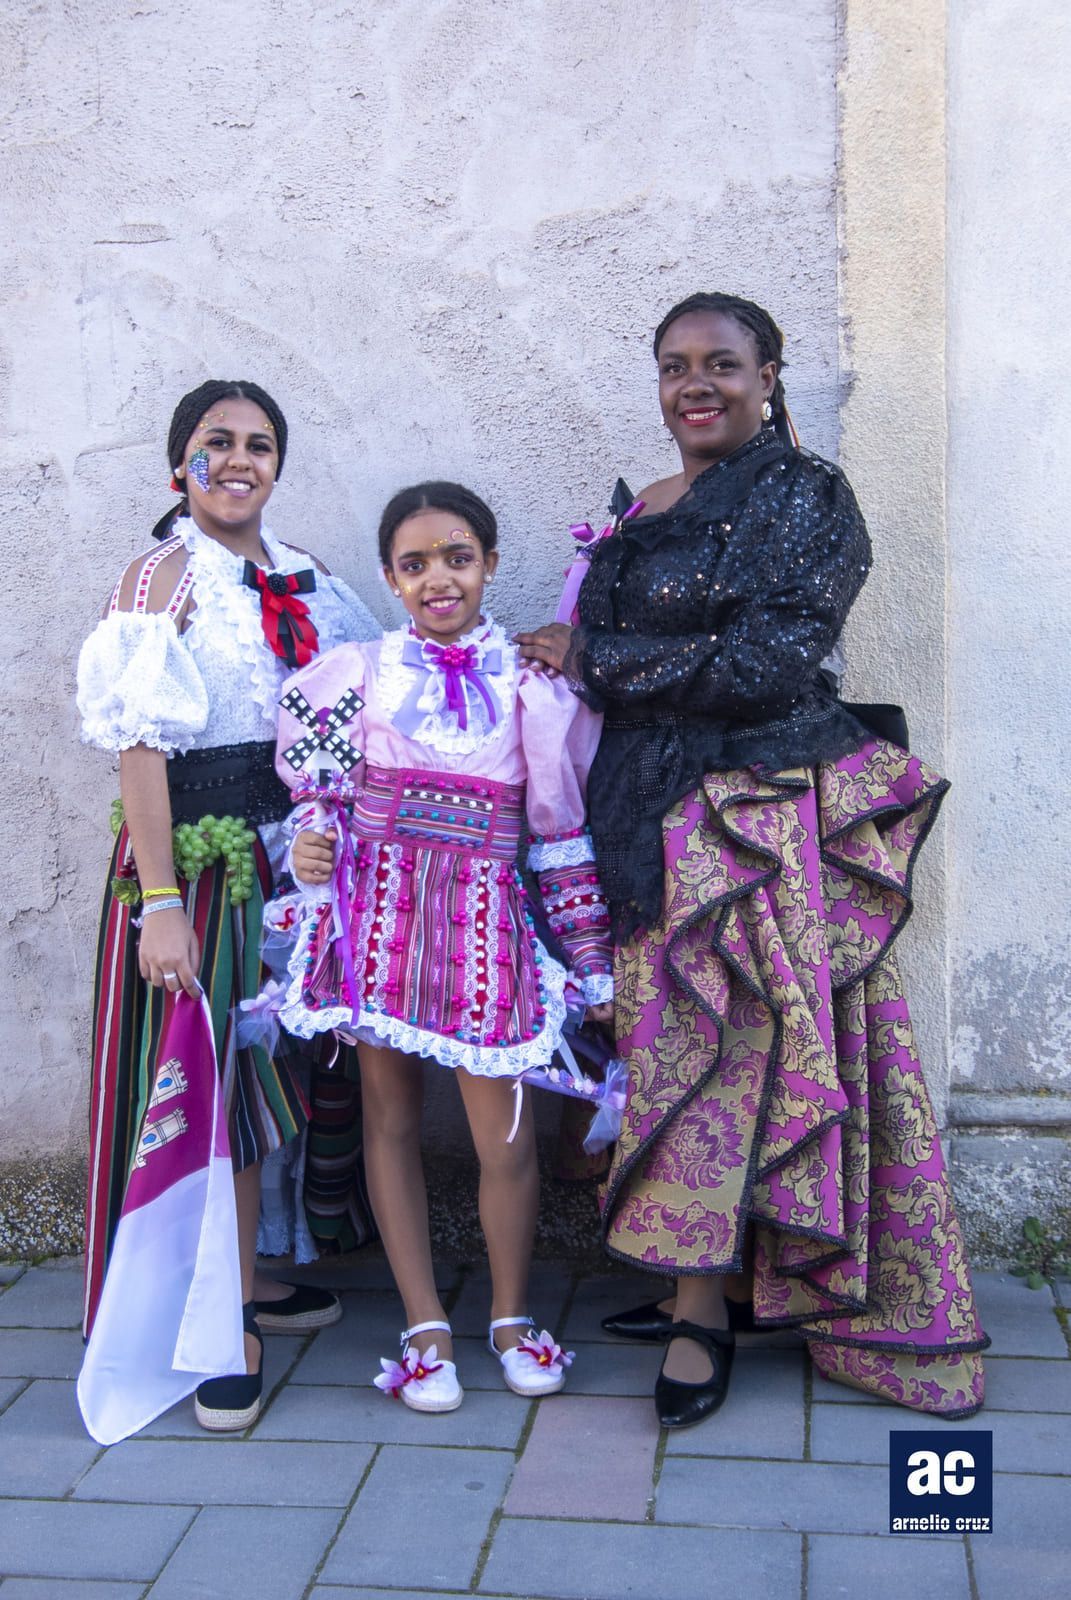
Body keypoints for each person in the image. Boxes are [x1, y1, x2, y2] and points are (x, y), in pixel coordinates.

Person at [516, 292, 987, 1428]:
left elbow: (770, 662)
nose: (697, 385)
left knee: (717, 1053)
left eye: (723, 364)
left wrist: (596, 656)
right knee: (670, 1045)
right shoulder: (650, 506)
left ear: (769, 375)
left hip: (750, 814)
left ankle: (696, 1316)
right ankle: (723, 1276)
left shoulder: (805, 495)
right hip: (646, 813)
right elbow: (670, 657)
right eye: (676, 365)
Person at [270, 481, 614, 1412]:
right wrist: (312, 844)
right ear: (389, 576)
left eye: (457, 557)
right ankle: (423, 1318)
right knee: (387, 1118)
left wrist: (589, 959)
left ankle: (507, 1314)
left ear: (490, 565)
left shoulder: (533, 685)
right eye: (414, 563)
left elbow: (558, 832)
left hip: (481, 927)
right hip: (378, 923)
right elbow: (324, 800)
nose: (437, 579)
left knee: (501, 1135)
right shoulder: (357, 674)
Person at [76, 379, 379, 1430]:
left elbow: (369, 695)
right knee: (214, 1089)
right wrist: (163, 899)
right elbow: (141, 748)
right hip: (197, 865)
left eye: (259, 443)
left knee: (278, 1075)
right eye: (217, 443)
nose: (239, 459)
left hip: (287, 858)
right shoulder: (161, 577)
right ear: (181, 465)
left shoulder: (309, 577)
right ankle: (210, 1323)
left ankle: (250, 1275)